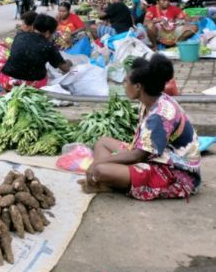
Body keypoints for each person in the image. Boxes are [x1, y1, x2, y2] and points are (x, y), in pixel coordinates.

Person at [78, 54, 201, 200]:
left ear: (138, 87)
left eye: (126, 82)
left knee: (100, 169)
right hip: (155, 156)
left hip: (174, 172)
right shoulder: (151, 101)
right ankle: (111, 179)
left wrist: (98, 162)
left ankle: (110, 180)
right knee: (102, 143)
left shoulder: (160, 116)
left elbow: (138, 155)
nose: (124, 85)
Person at [0, 14, 72, 92]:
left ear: (33, 27)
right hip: (34, 84)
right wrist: (68, 62)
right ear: (48, 33)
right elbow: (65, 68)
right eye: (52, 33)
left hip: (10, 80)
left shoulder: (20, 36)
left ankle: (4, 90)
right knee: (45, 72)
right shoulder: (48, 46)